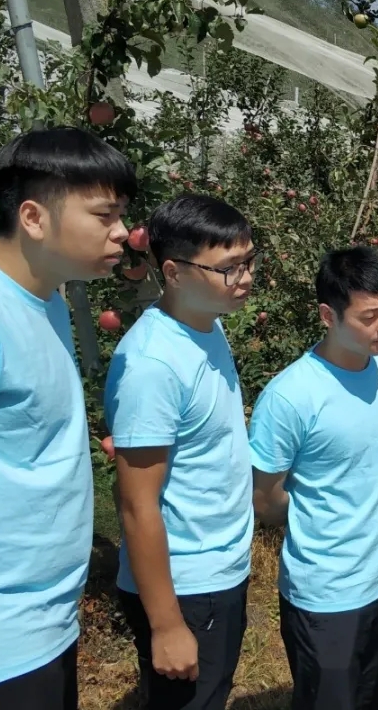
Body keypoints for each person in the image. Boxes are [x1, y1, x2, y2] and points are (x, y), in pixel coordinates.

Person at [0, 127, 137, 710]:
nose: (122, 232)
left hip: (41, 629)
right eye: (105, 215)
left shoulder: (46, 300)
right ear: (34, 217)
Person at [104, 194, 260, 710]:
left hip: (216, 567)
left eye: (249, 261)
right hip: (186, 584)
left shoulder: (206, 323)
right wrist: (167, 625)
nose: (245, 278)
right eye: (229, 268)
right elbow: (136, 505)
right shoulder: (153, 366)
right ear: (173, 272)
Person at [249, 246, 378, 710]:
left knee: (374, 697)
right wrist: (320, 522)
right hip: (327, 594)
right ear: (327, 315)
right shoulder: (291, 397)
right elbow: (265, 499)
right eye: (369, 316)